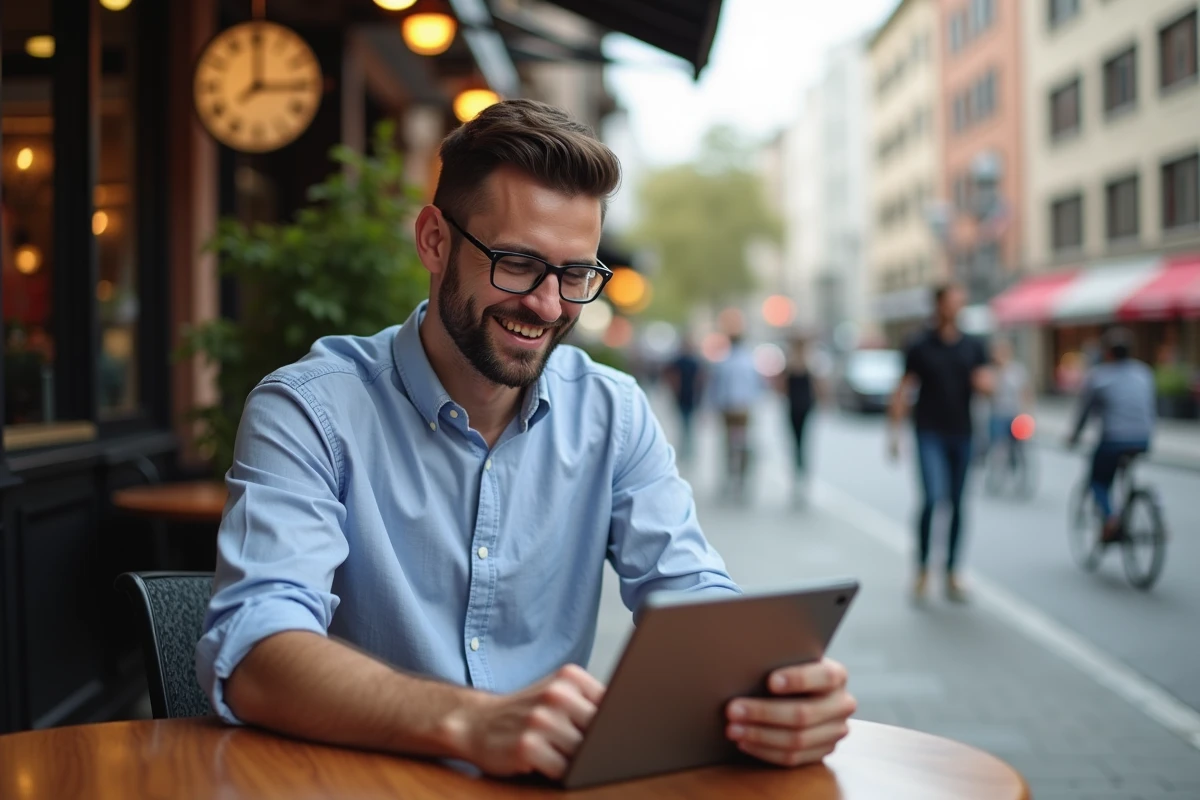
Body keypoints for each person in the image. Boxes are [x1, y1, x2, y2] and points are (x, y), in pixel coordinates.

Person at [195, 100, 855, 781]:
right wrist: (470, 721)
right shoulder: (309, 409)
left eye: (576, 275)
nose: (547, 305)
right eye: (516, 262)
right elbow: (254, 652)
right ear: (433, 241)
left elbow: (689, 592)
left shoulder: (613, 412)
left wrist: (773, 687)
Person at [887, 282, 992, 603]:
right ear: (938, 305)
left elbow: (987, 385)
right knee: (932, 499)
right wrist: (893, 432)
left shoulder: (974, 345)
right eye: (952, 301)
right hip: (928, 431)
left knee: (959, 503)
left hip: (962, 432)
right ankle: (921, 570)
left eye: (961, 301)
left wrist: (990, 382)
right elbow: (904, 389)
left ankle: (952, 572)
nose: (957, 306)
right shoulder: (919, 344)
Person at [1066, 327, 1155, 542]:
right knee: (1120, 470)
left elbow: (1085, 411)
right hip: (1143, 438)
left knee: (1098, 480)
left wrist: (1074, 435)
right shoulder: (1144, 373)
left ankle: (1110, 519)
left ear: (1107, 353)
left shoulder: (1099, 377)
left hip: (1113, 439)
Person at [706, 332, 765, 501]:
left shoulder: (724, 362)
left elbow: (715, 387)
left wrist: (712, 406)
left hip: (728, 408)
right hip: (743, 409)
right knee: (742, 444)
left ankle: (730, 476)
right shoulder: (749, 362)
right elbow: (759, 387)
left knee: (729, 445)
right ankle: (740, 478)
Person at [775, 335, 821, 507]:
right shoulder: (808, 363)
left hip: (796, 407)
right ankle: (801, 476)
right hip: (803, 407)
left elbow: (780, 387)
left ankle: (798, 476)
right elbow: (818, 386)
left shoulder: (792, 364)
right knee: (802, 444)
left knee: (796, 444)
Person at [986, 338, 1033, 462]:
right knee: (998, 450)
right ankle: (998, 475)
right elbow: (987, 392)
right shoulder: (991, 370)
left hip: (1015, 415)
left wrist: (1027, 412)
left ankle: (1018, 473)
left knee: (1019, 450)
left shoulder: (1017, 370)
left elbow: (1026, 392)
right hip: (998, 415)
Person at [662, 334, 704, 462]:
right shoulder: (686, 361)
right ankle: (688, 449)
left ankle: (687, 449)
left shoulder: (689, 361)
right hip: (685, 396)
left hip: (687, 396)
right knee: (686, 423)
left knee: (686, 423)